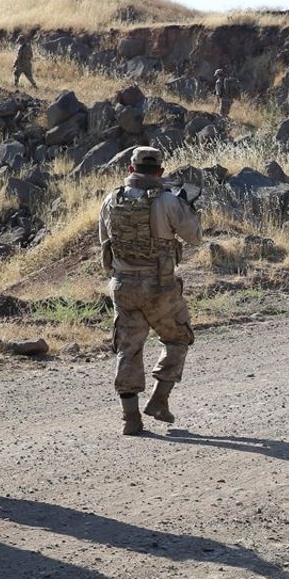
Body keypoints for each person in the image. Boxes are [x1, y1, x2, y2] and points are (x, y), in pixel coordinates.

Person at [98, 147, 203, 436]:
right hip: (160, 286)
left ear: (131, 170)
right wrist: (189, 208)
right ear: (160, 172)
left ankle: (130, 419)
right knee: (178, 337)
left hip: (123, 285)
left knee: (128, 348)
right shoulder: (169, 201)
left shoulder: (111, 199)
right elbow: (195, 237)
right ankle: (159, 399)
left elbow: (104, 241)